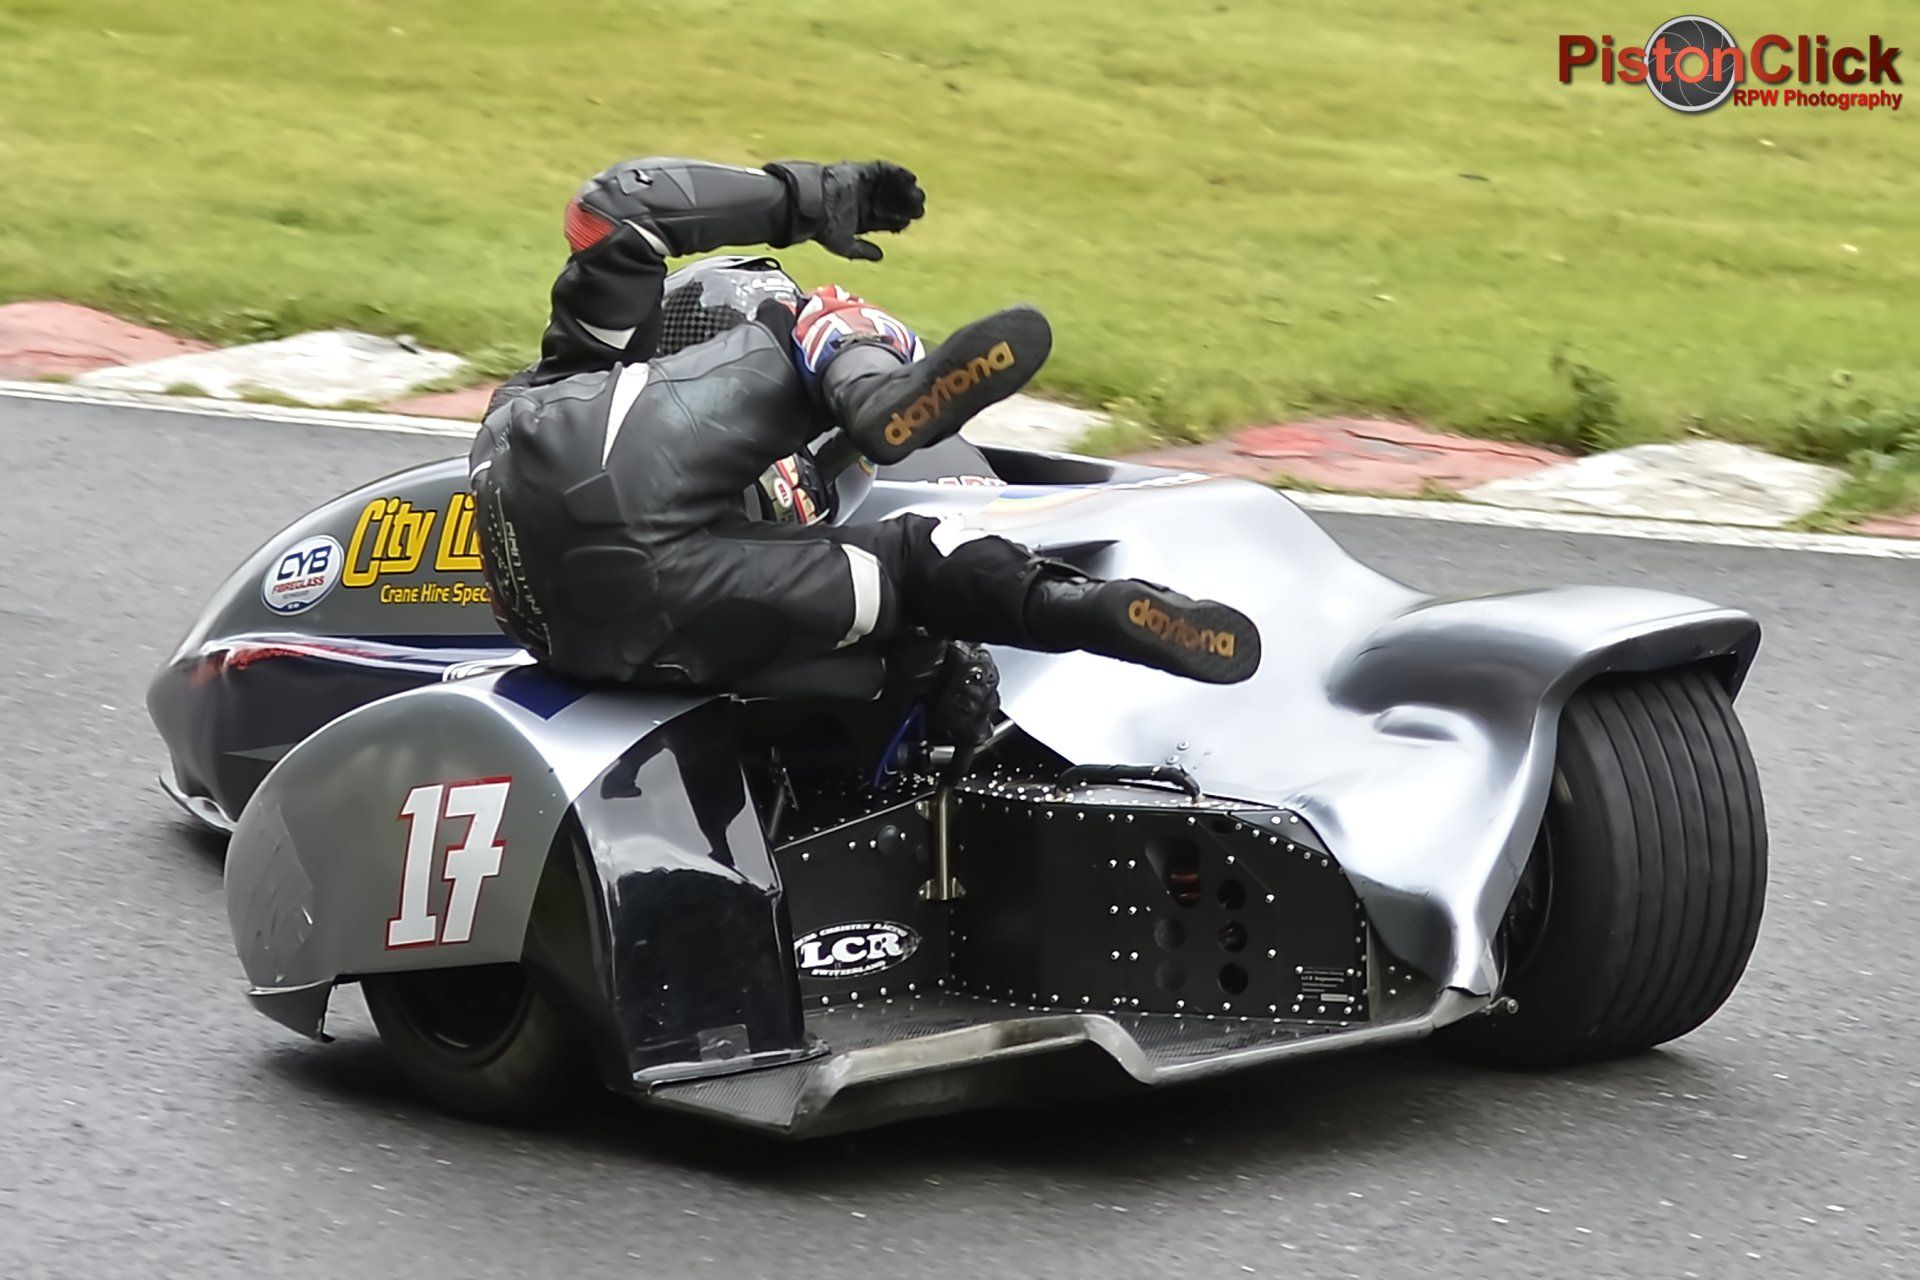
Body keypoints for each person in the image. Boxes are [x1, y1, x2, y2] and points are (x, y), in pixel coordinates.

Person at [469, 155, 1262, 693]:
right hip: (664, 596)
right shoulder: (626, 372)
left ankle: (1088, 609)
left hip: (581, 631)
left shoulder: (572, 367)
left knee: (915, 582)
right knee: (917, 565)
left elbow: (614, 208)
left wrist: (809, 195)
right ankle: (1076, 604)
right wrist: (946, 673)